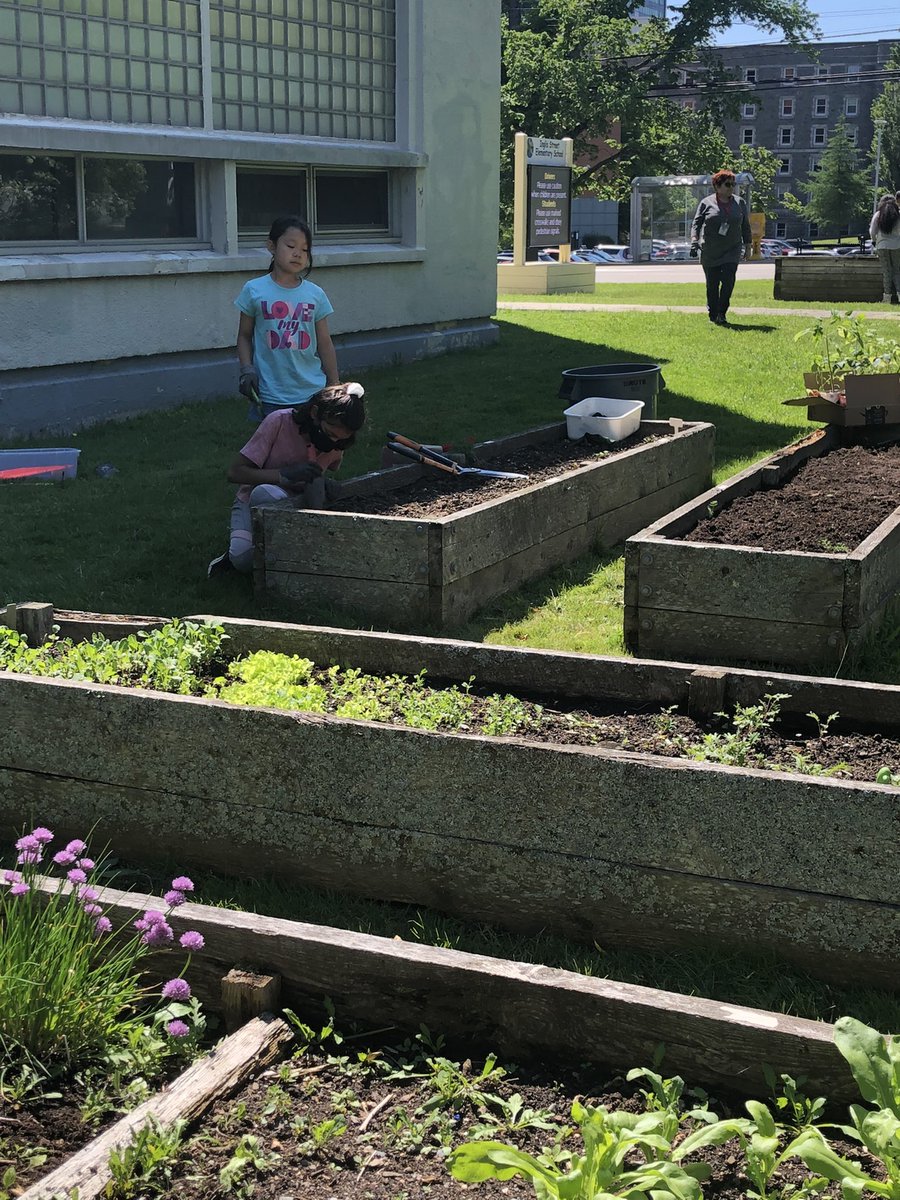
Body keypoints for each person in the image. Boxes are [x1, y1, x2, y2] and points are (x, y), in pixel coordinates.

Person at [207, 382, 365, 577]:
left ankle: (282, 554)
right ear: (315, 413)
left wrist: (324, 485)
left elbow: (332, 467)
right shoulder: (279, 421)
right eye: (330, 433)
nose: (333, 442)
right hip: (256, 498)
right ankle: (236, 553)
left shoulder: (337, 443)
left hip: (299, 503)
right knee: (243, 556)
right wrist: (284, 474)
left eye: (340, 439)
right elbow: (235, 472)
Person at [235, 215, 340, 421]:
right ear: (271, 246)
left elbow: (324, 342)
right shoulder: (253, 290)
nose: (298, 253)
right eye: (291, 246)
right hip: (269, 394)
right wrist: (247, 370)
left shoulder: (315, 294)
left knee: (310, 441)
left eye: (305, 249)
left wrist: (334, 383)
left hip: (311, 392)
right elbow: (244, 336)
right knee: (273, 442)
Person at [689, 170, 752, 326]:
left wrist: (748, 246)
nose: (731, 188)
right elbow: (696, 223)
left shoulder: (739, 203)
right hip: (710, 250)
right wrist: (694, 240)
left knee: (728, 281)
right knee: (712, 284)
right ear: (717, 186)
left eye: (733, 184)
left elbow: (745, 226)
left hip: (732, 249)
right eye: (728, 184)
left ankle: (722, 313)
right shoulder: (706, 203)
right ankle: (713, 313)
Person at [869, 193, 900, 304]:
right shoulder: (898, 214)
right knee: (897, 271)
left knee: (887, 271)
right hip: (896, 245)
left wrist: (874, 241)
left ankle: (887, 297)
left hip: (882, 245)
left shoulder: (878, 214)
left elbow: (872, 231)